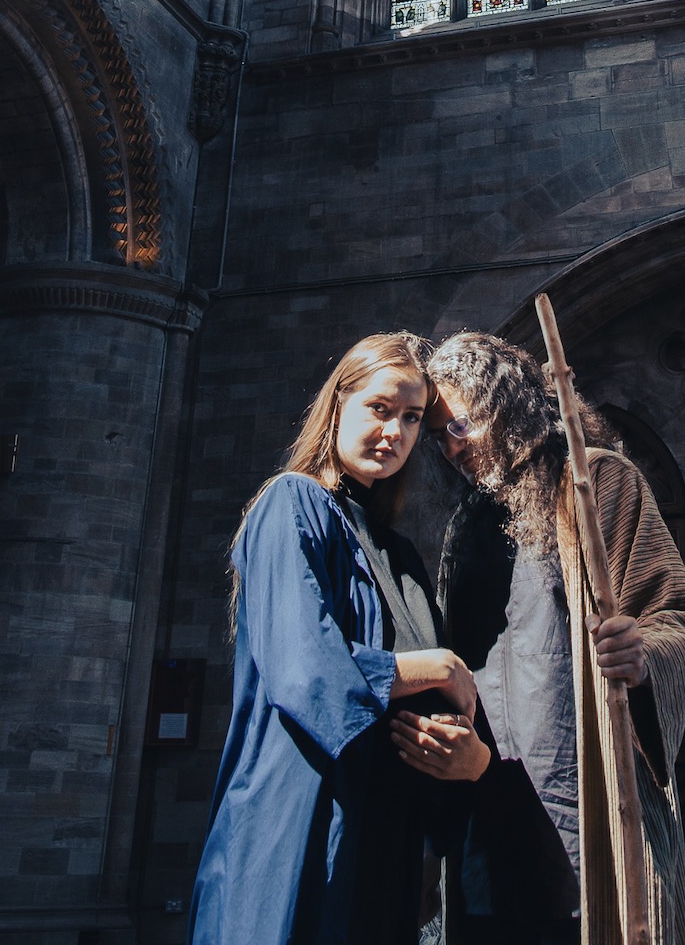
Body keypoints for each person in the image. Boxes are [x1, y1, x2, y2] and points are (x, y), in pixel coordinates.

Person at [392, 332, 685, 945]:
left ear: (504, 403)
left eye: (461, 426)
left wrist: (640, 652)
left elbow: (679, 619)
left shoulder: (593, 485)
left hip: (583, 806)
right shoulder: (467, 524)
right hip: (488, 811)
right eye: (439, 436)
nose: (451, 449)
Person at [189, 333, 490, 945]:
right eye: (380, 408)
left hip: (385, 834)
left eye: (411, 419)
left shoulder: (400, 555)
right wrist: (438, 668)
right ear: (338, 407)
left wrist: (464, 755)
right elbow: (305, 666)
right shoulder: (291, 504)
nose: (396, 432)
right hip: (297, 812)